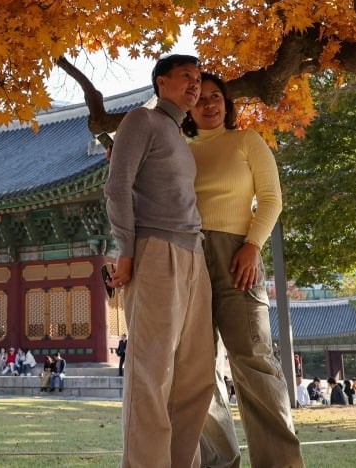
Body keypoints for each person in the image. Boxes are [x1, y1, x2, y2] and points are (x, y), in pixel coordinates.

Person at [187, 71, 304, 468]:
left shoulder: (247, 141)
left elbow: (271, 199)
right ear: (187, 105)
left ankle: (280, 462)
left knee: (253, 360)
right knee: (195, 367)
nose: (209, 104)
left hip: (239, 254)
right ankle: (220, 461)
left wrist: (253, 245)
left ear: (227, 101)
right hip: (188, 259)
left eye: (215, 96)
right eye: (199, 98)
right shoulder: (178, 149)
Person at [105, 53, 216, 468]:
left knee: (195, 375)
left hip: (194, 255)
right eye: (186, 76)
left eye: (199, 77)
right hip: (155, 252)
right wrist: (127, 251)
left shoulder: (180, 137)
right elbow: (117, 188)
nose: (194, 84)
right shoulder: (141, 120)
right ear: (161, 81)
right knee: (151, 372)